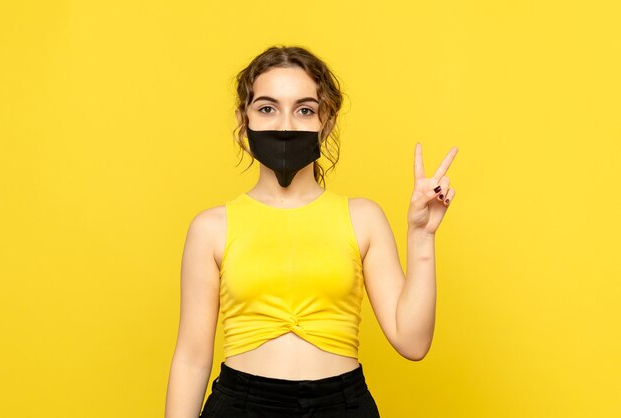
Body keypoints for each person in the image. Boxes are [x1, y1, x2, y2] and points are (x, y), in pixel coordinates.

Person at [165, 45, 458, 418]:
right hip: (241, 406)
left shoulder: (363, 218)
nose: (285, 124)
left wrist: (422, 236)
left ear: (327, 121)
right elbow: (190, 360)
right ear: (245, 120)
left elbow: (413, 342)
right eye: (267, 108)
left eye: (304, 109)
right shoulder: (210, 228)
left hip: (342, 405)